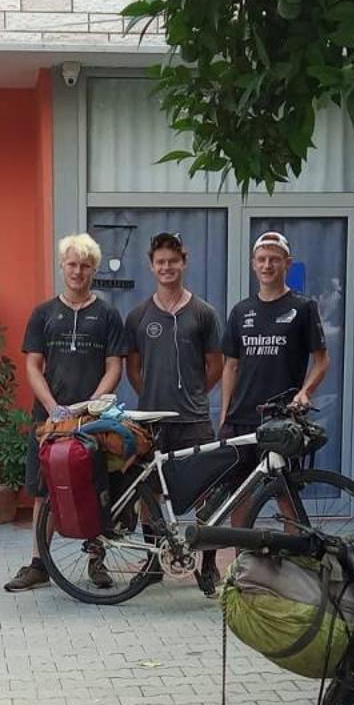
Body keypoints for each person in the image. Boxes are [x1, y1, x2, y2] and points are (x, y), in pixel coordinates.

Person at [5, 233, 127, 593]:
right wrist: (52, 408)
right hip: (50, 419)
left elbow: (114, 367)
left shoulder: (107, 314)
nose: (78, 271)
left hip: (93, 418)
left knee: (98, 486)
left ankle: (97, 561)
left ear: (94, 270)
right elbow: (32, 365)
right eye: (72, 264)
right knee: (44, 489)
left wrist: (91, 404)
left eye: (85, 265)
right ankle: (39, 564)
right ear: (62, 267)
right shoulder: (43, 313)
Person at [124, 232, 225, 595]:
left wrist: (196, 393)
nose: (167, 267)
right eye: (160, 262)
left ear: (184, 262)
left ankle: (208, 565)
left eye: (173, 261)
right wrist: (151, 396)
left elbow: (216, 364)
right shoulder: (138, 316)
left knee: (209, 495)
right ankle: (153, 564)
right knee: (149, 495)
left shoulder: (204, 313)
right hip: (153, 423)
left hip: (195, 420)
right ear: (152, 266)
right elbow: (132, 367)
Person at [217, 231, 330, 439]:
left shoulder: (303, 307)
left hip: (283, 420)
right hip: (241, 420)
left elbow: (322, 361)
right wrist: (224, 416)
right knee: (238, 474)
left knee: (283, 473)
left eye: (274, 260)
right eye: (261, 259)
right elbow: (231, 366)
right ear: (253, 264)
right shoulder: (240, 310)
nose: (267, 265)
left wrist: (305, 391)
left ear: (288, 264)